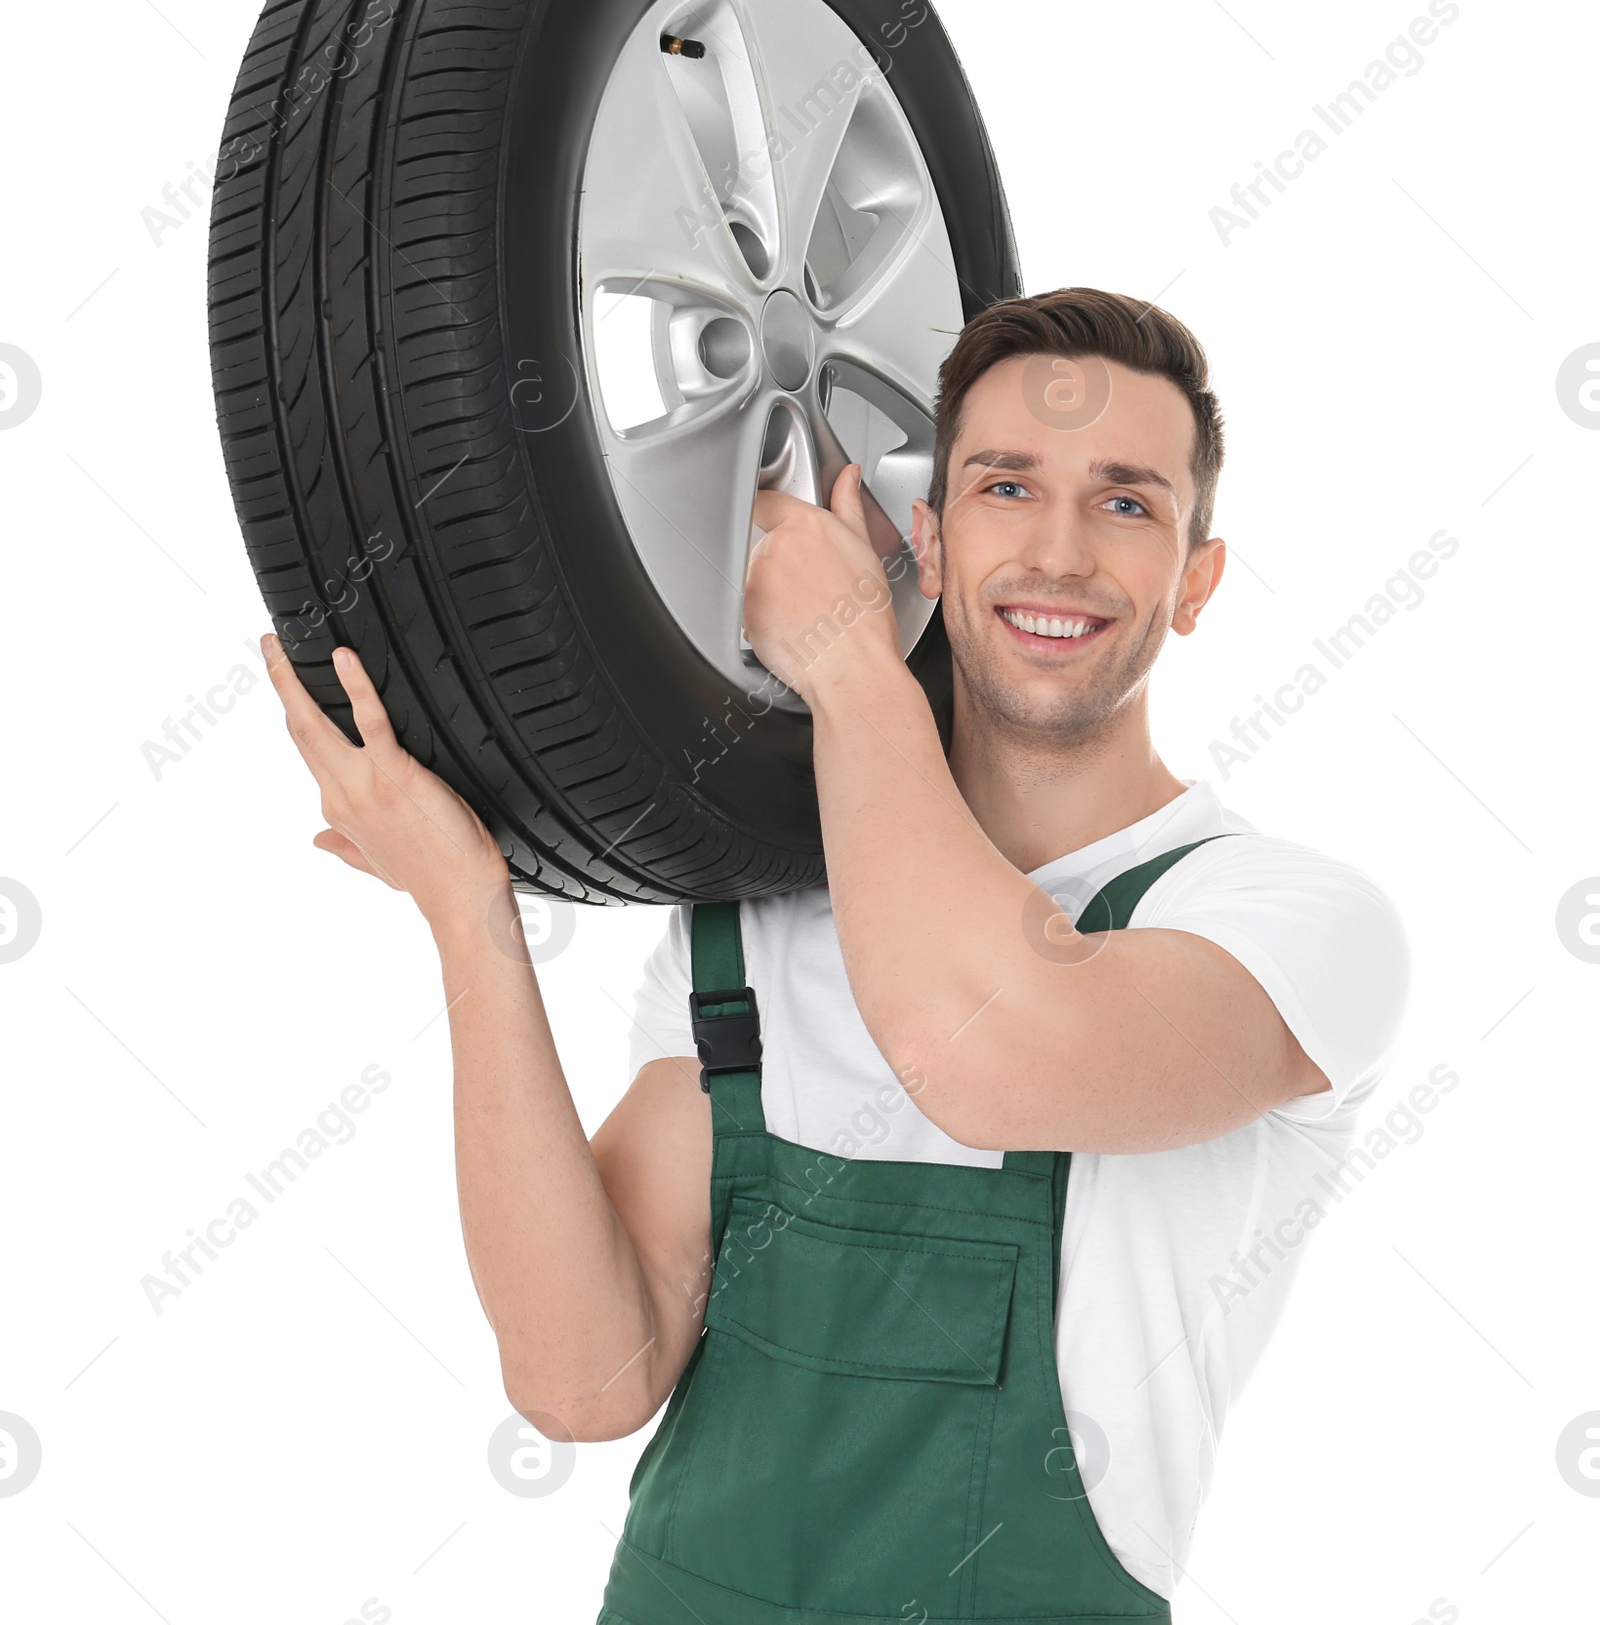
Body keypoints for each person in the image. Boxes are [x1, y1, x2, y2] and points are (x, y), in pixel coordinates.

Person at [262, 286, 1410, 1623]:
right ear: (929, 533)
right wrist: (470, 911)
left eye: (1127, 502)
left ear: (1196, 581)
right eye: (1003, 487)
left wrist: (851, 663)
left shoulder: (1288, 922)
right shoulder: (759, 912)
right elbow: (583, 1380)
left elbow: (979, 1050)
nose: (1057, 551)